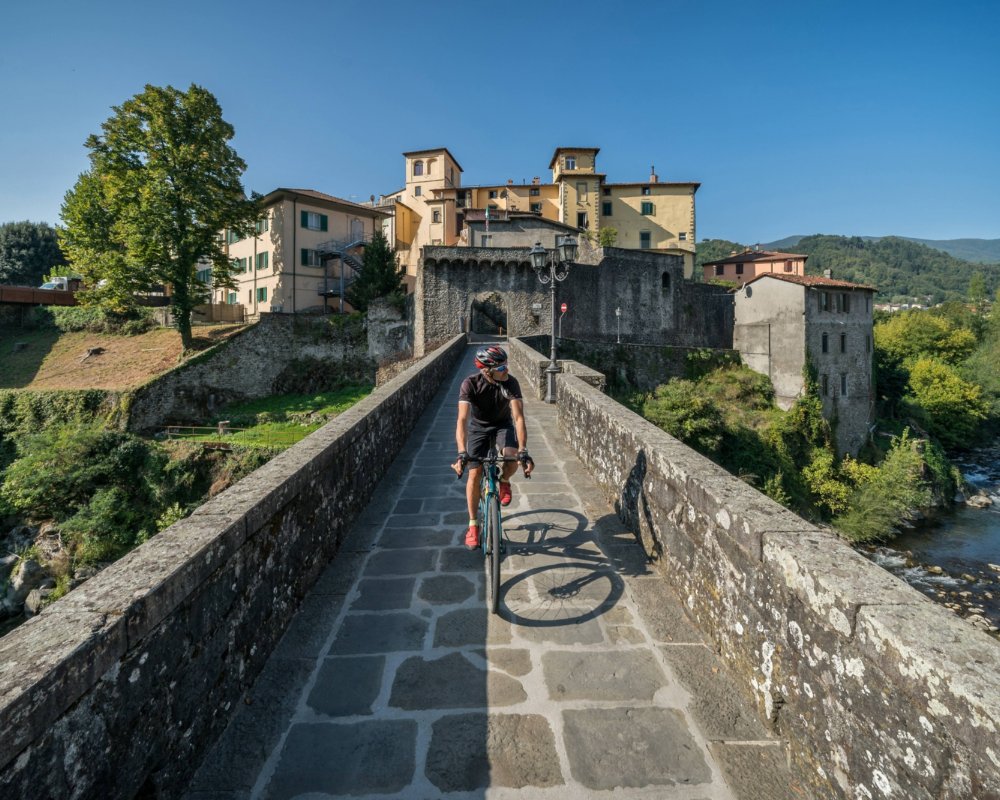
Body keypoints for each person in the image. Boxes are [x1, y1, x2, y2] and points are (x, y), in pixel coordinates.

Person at [452, 346, 534, 549]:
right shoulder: (470, 384)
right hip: (478, 428)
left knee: (511, 456)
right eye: (502, 367)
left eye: (506, 364)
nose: (506, 370)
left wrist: (523, 450)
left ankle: (504, 480)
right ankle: (473, 525)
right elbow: (462, 420)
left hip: (502, 425)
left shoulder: (510, 382)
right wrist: (462, 452)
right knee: (474, 474)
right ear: (488, 370)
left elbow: (518, 417)